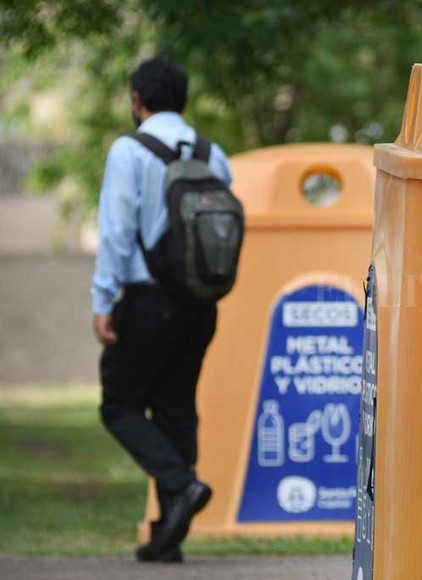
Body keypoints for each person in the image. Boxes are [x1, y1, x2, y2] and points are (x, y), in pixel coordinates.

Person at [91, 56, 232, 563]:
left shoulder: (129, 151)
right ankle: (167, 539)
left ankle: (182, 485)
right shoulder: (213, 155)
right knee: (175, 408)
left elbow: (115, 229)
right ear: (184, 99)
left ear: (137, 100)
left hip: (147, 300)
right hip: (200, 304)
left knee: (119, 404)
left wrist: (103, 299)